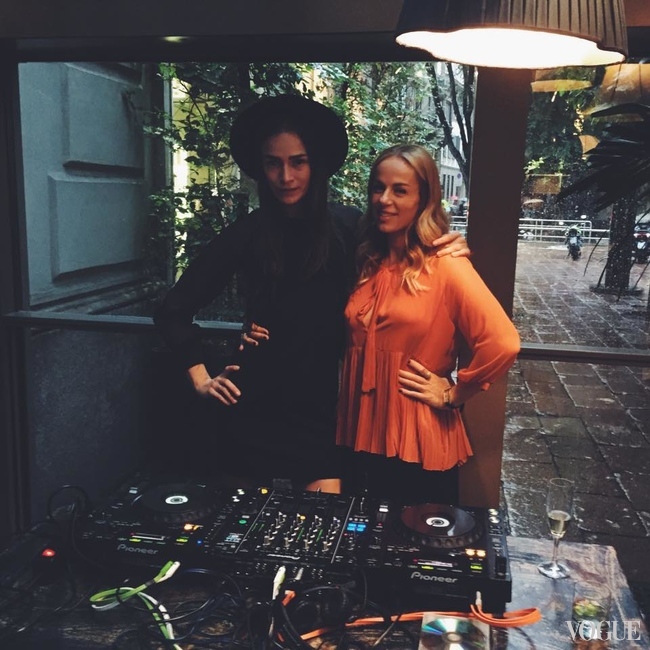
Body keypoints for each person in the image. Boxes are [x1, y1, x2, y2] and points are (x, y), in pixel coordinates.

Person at [154, 95, 469, 495]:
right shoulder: (247, 233)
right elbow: (173, 310)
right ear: (261, 167)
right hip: (250, 406)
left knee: (321, 524)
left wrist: (443, 246)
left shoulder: (350, 227)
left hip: (322, 411)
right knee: (240, 525)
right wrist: (201, 379)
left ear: (314, 164)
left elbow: (403, 253)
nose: (285, 176)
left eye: (297, 162)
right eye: (273, 163)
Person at [336, 144, 520, 505]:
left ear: (424, 199)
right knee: (360, 536)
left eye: (400, 190)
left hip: (417, 438)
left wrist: (454, 394)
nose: (384, 200)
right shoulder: (366, 259)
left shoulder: (446, 264)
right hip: (359, 431)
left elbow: (503, 342)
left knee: (414, 539)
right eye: (378, 187)